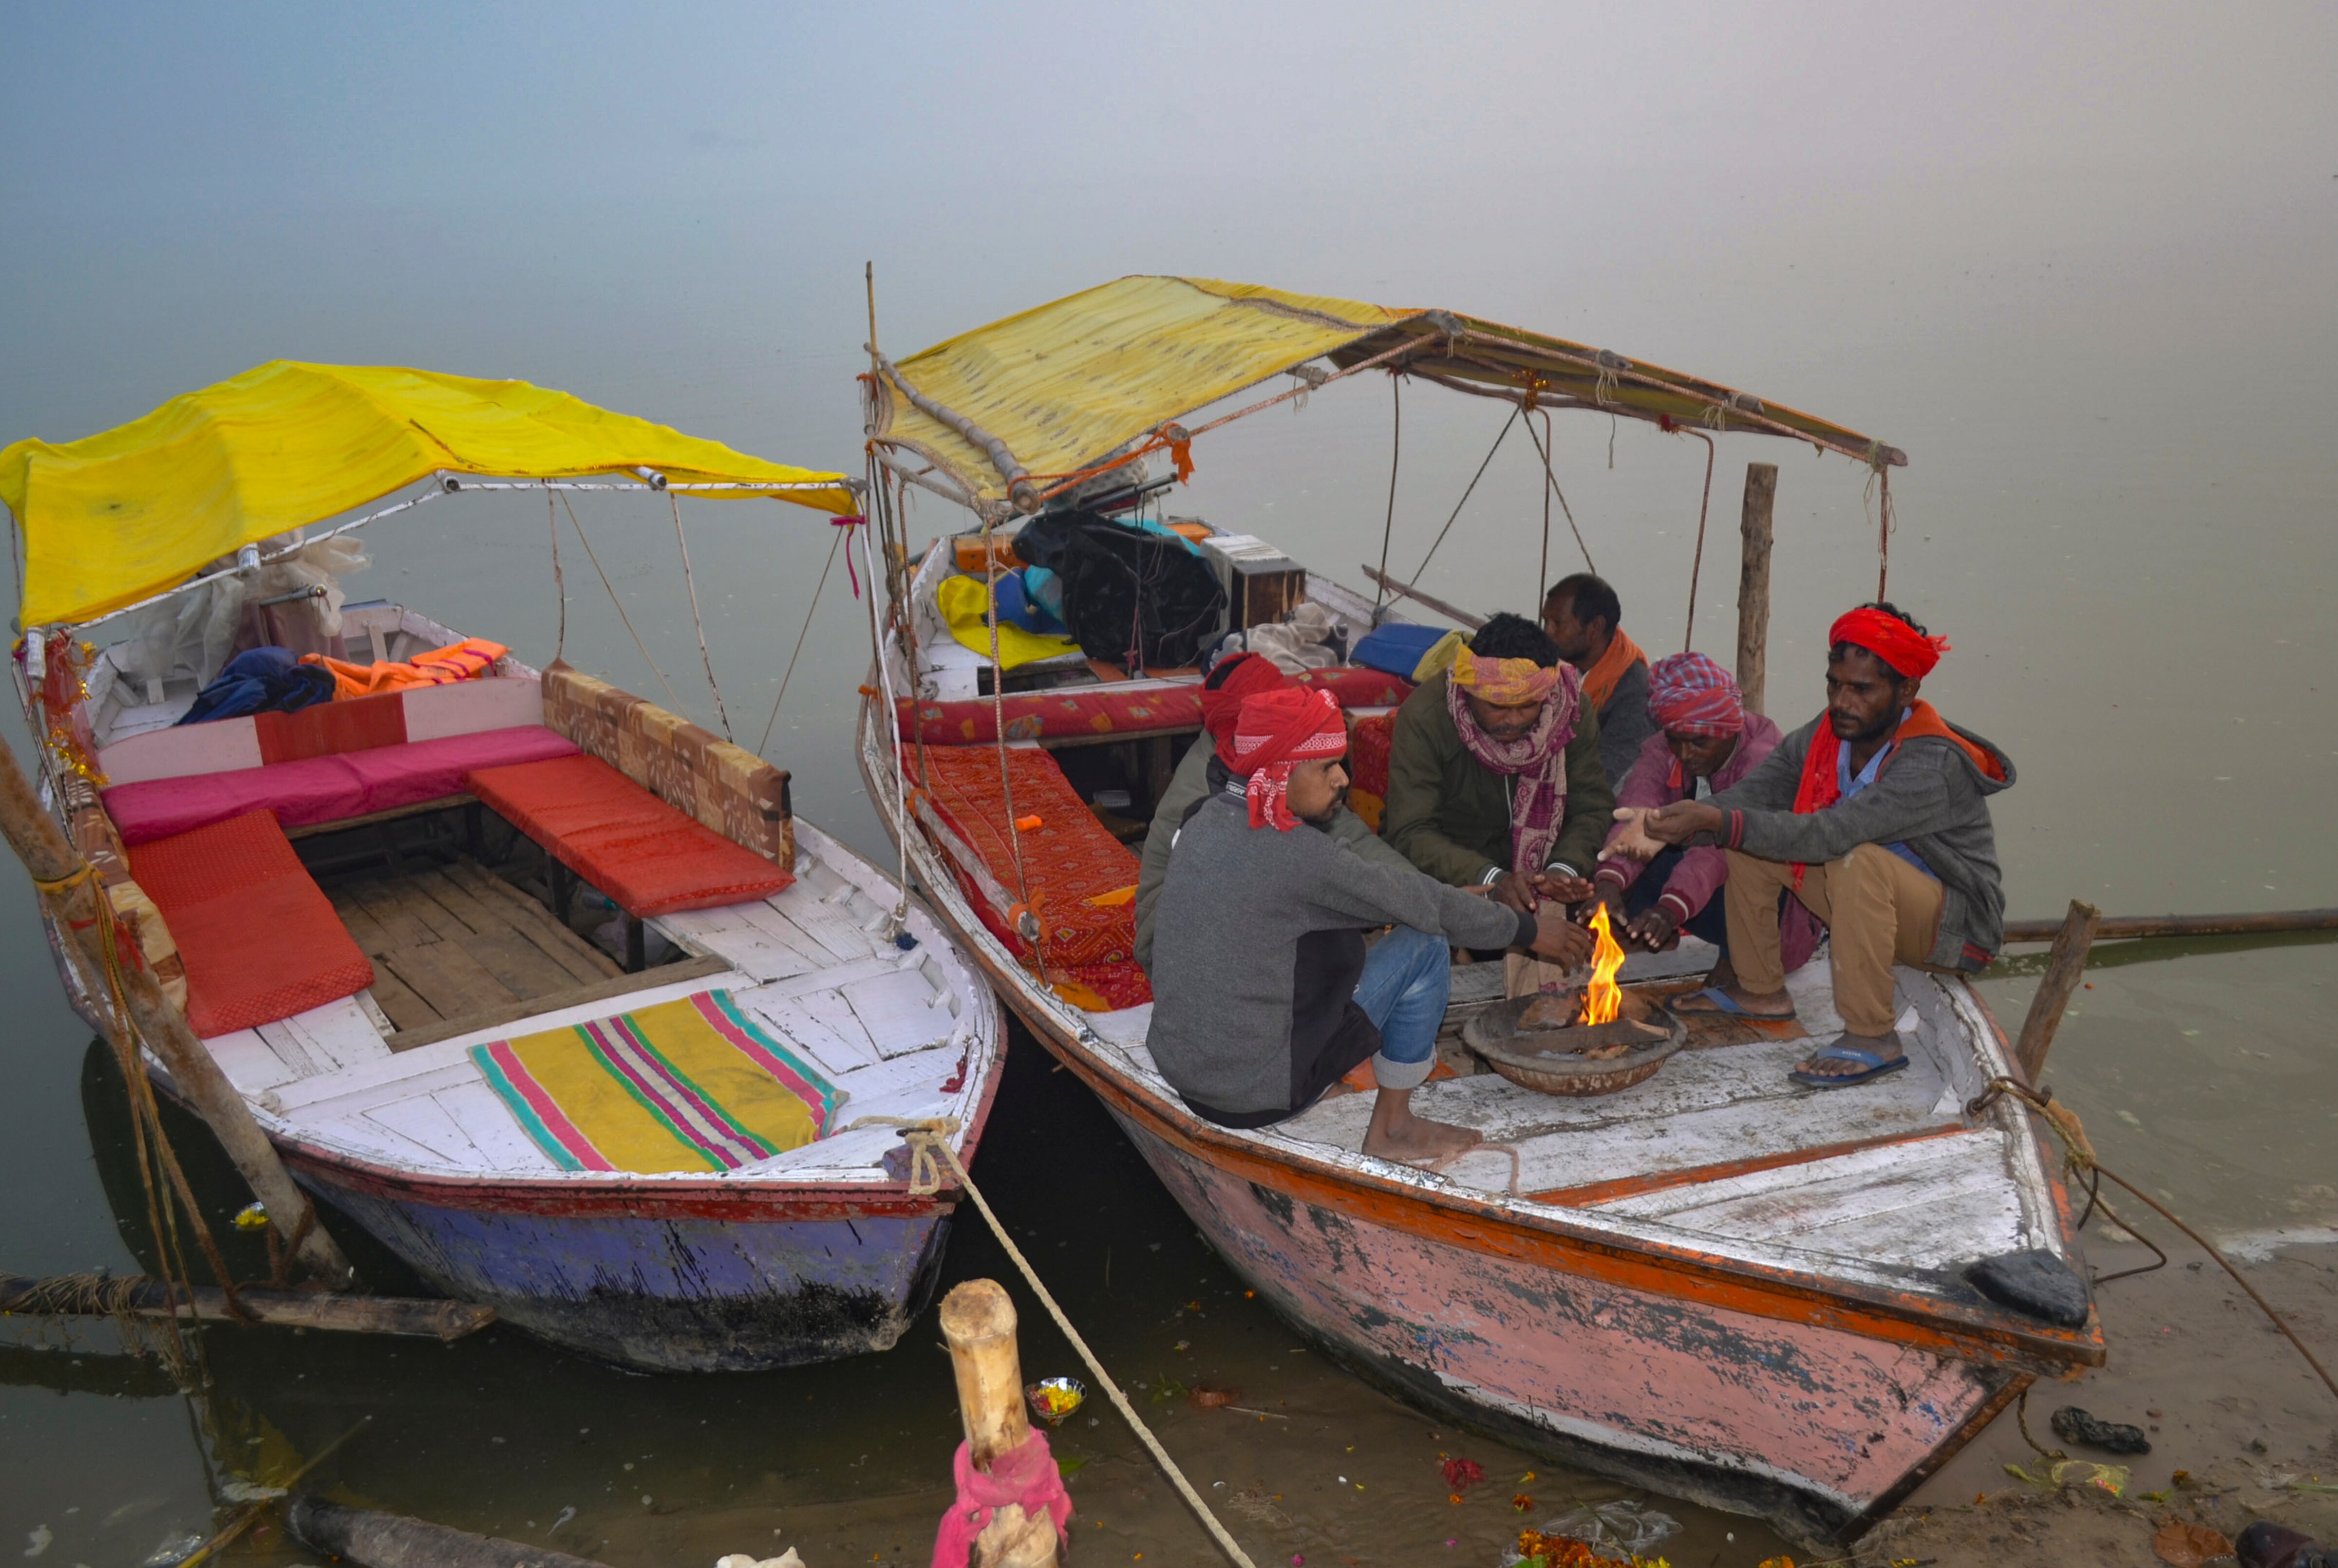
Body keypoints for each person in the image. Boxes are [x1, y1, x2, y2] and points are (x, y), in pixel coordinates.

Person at [1150, 685, 1591, 1159]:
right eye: (1326, 768)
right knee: (1426, 940)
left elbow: (1359, 893)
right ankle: (1393, 1129)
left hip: (1186, 1073)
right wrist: (1529, 931)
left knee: (1373, 919)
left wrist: (1425, 900)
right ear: (1279, 772)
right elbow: (1423, 906)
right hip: (1256, 1094)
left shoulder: (1204, 818)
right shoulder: (1295, 854)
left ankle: (1314, 1072)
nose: (1342, 779)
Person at [1638, 604, 2014, 1088]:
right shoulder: (1829, 730)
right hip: (1868, 908)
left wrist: (1720, 820)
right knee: (1751, 837)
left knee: (1853, 858)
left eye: (1861, 689)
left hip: (1950, 930)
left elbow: (1833, 833)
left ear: (1906, 691)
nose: (1842, 700)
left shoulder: (1932, 763)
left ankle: (1873, 1036)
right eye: (1835, 683)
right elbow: (1765, 789)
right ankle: (1760, 990)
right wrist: (1690, 823)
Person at [1133, 651, 1409, 973]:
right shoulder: (1211, 796)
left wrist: (1416, 889)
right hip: (1171, 943)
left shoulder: (1273, 763)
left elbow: (1347, 831)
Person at [1591, 653, 1821, 982]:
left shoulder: (1763, 760)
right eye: (1676, 740)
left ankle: (1740, 960)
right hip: (1702, 894)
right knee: (1636, 839)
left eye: (1700, 742)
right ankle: (1651, 932)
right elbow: (1638, 809)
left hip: (1773, 917)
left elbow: (1715, 854)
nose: (1685, 754)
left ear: (1728, 730)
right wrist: (1609, 883)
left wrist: (1670, 909)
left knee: (1747, 858)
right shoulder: (1663, 748)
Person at [1381, 614, 1615, 917]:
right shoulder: (1426, 716)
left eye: (1529, 706)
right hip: (1455, 873)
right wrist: (1492, 879)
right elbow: (1411, 829)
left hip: (1545, 870)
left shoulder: (1570, 709)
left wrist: (1563, 868)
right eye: (1498, 707)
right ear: (1470, 692)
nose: (1514, 721)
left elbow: (1592, 808)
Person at [1543, 573, 1654, 787]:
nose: (1547, 632)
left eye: (1558, 623)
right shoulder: (1557, 668)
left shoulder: (1635, 695)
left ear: (1595, 628)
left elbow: (1606, 779)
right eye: (1545, 621)